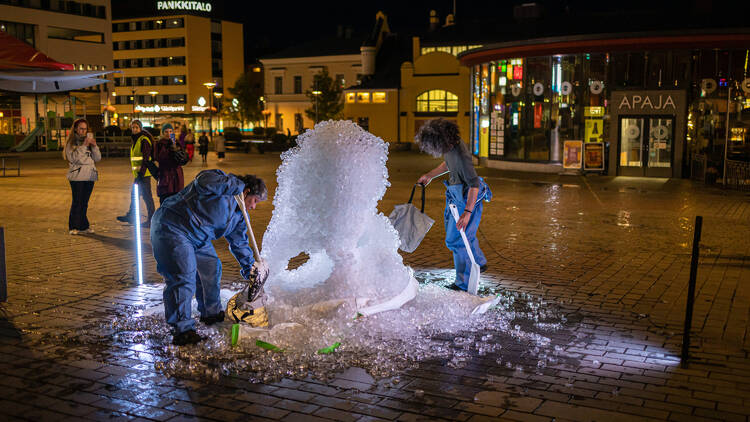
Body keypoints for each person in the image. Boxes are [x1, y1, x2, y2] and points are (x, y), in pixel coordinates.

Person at [150, 170, 268, 345]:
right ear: (247, 192)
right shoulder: (223, 186)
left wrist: (250, 269)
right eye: (254, 201)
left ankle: (210, 313)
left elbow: (240, 243)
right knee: (184, 276)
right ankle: (182, 330)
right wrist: (236, 185)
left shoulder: (239, 216)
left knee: (212, 267)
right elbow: (203, 181)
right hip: (173, 227)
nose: (253, 207)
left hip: (198, 238)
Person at [416, 119, 492, 292]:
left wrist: (467, 212)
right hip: (457, 195)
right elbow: (447, 164)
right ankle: (479, 262)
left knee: (456, 241)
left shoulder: (461, 155)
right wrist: (429, 175)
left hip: (467, 198)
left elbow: (474, 184)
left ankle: (463, 283)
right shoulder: (451, 147)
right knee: (466, 237)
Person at [64, 118, 101, 235]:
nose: (83, 131)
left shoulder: (88, 142)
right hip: (77, 176)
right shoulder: (71, 143)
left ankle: (84, 226)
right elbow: (73, 158)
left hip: (89, 176)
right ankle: (73, 226)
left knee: (85, 202)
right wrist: (84, 146)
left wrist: (94, 147)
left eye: (85, 129)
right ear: (75, 129)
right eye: (81, 128)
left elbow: (97, 158)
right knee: (77, 201)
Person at [117, 120, 156, 227]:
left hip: (144, 174)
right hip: (139, 174)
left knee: (147, 196)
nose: (134, 129)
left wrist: (141, 174)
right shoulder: (136, 139)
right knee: (135, 194)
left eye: (136, 127)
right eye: (133, 127)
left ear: (140, 128)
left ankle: (151, 219)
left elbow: (146, 159)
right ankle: (132, 216)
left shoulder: (144, 140)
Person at [153, 123, 185, 204]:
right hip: (165, 175)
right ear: (163, 133)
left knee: (177, 200)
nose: (169, 134)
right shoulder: (159, 144)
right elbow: (158, 157)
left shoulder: (176, 143)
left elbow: (182, 158)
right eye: (166, 132)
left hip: (177, 175)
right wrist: (168, 150)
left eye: (170, 131)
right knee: (165, 199)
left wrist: (183, 157)